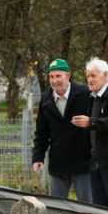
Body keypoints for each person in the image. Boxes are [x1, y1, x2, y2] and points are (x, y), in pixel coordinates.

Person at [71, 57, 108, 210]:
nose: (90, 79)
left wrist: (91, 122)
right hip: (97, 160)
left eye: (93, 75)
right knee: (99, 208)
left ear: (105, 75)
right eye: (88, 76)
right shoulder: (94, 97)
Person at [32, 58, 93, 202]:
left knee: (89, 207)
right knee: (57, 208)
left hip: (83, 162)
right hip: (58, 163)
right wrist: (38, 157)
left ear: (68, 76)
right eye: (51, 77)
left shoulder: (85, 94)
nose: (54, 81)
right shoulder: (46, 99)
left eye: (58, 76)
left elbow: (96, 121)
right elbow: (41, 132)